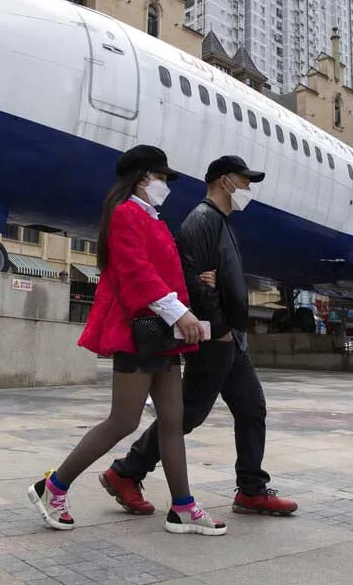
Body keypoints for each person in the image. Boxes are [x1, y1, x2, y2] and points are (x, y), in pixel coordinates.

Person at [27, 145, 227, 537]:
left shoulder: (152, 218)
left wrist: (192, 290)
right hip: (139, 331)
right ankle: (52, 487)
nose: (166, 185)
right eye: (162, 178)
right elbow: (137, 274)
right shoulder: (125, 215)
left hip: (160, 333)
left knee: (173, 419)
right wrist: (180, 313)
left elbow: (161, 273)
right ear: (142, 178)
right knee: (124, 419)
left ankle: (182, 507)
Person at [100, 155, 299, 517]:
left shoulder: (221, 222)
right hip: (215, 337)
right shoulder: (202, 220)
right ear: (225, 182)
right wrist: (217, 328)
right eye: (245, 181)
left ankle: (251, 489)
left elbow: (214, 278)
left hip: (231, 338)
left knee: (251, 408)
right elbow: (189, 280)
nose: (248, 189)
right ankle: (125, 471)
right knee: (186, 415)